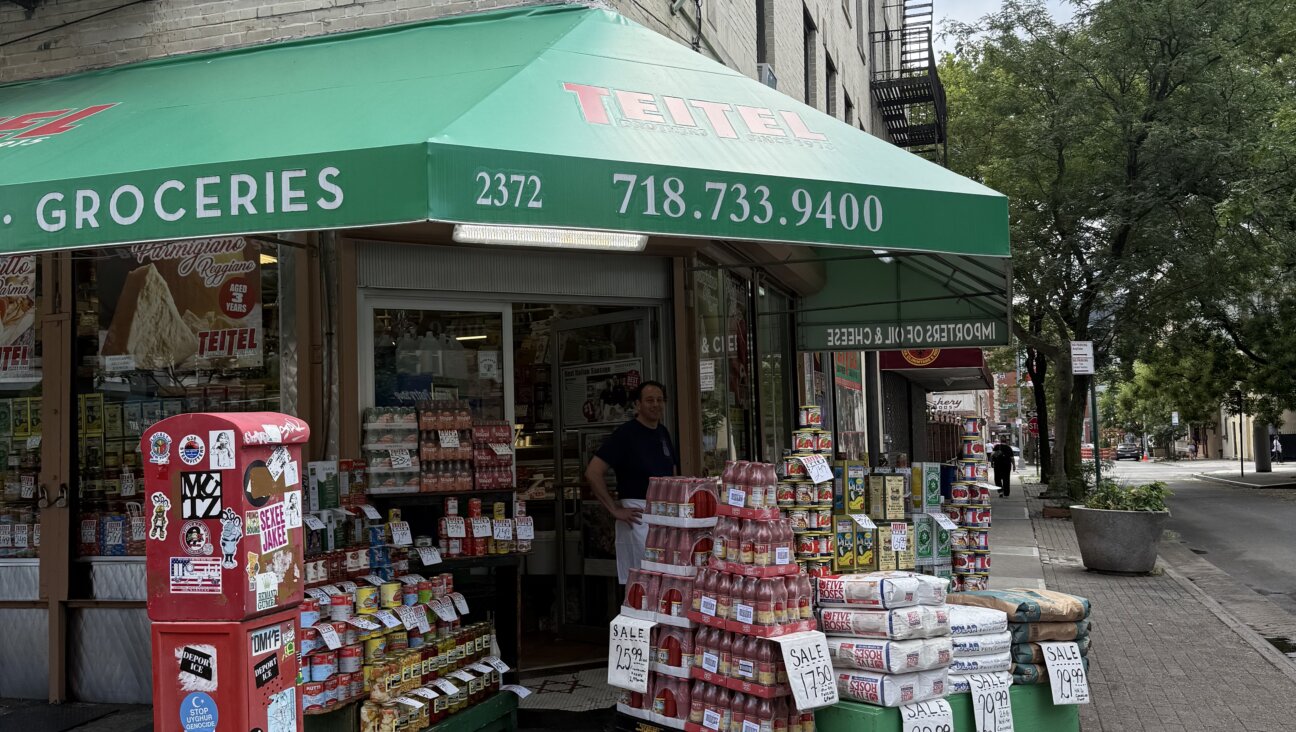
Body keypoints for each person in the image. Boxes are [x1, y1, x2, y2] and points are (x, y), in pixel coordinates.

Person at [585, 380, 677, 584]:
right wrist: (614, 509)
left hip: (664, 515)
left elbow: (672, 473)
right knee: (642, 583)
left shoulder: (663, 433)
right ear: (637, 404)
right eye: (650, 400)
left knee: (665, 580)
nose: (656, 405)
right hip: (637, 515)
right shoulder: (625, 435)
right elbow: (593, 472)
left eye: (660, 400)